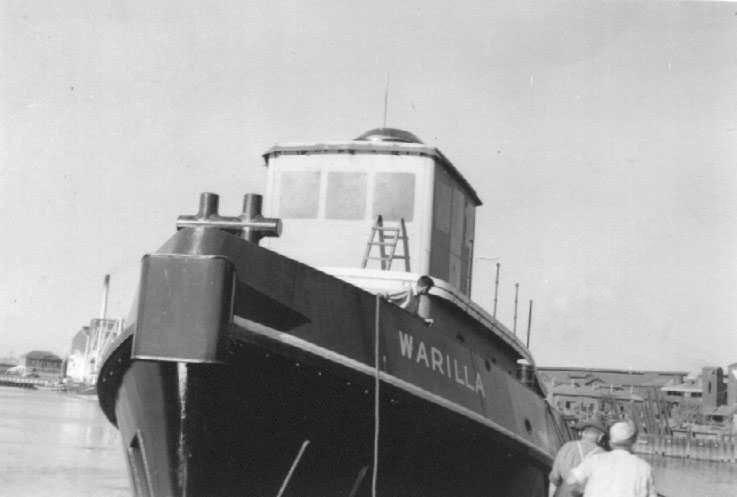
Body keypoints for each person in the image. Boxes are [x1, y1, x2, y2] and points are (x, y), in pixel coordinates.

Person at [566, 420, 657, 497]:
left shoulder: (595, 460)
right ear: (633, 442)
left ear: (610, 443)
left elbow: (570, 481)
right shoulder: (644, 467)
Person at [548, 415, 607, 497]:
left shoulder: (567, 447)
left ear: (581, 433)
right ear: (600, 436)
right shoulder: (604, 455)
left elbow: (554, 479)